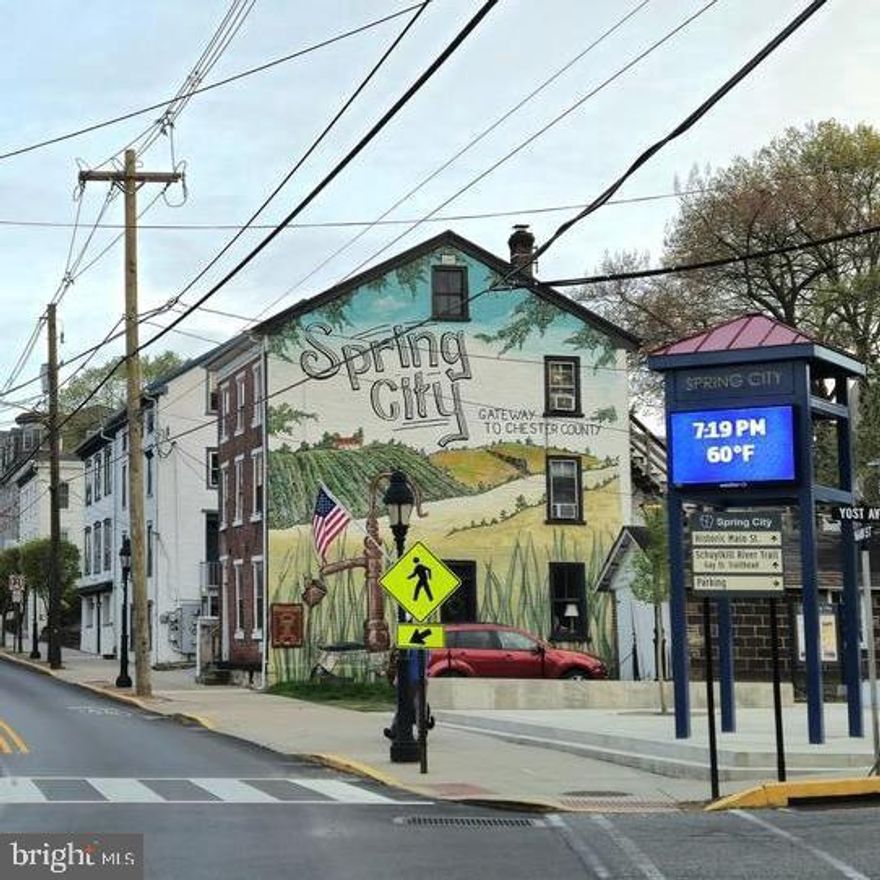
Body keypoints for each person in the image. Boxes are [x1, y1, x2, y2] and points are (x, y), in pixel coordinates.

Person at [383, 648, 434, 740]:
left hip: (412, 679)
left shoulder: (410, 647)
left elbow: (400, 662)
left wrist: (397, 677)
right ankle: (419, 731)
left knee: (407, 705)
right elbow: (428, 659)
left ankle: (397, 730)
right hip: (416, 679)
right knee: (416, 706)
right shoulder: (423, 648)